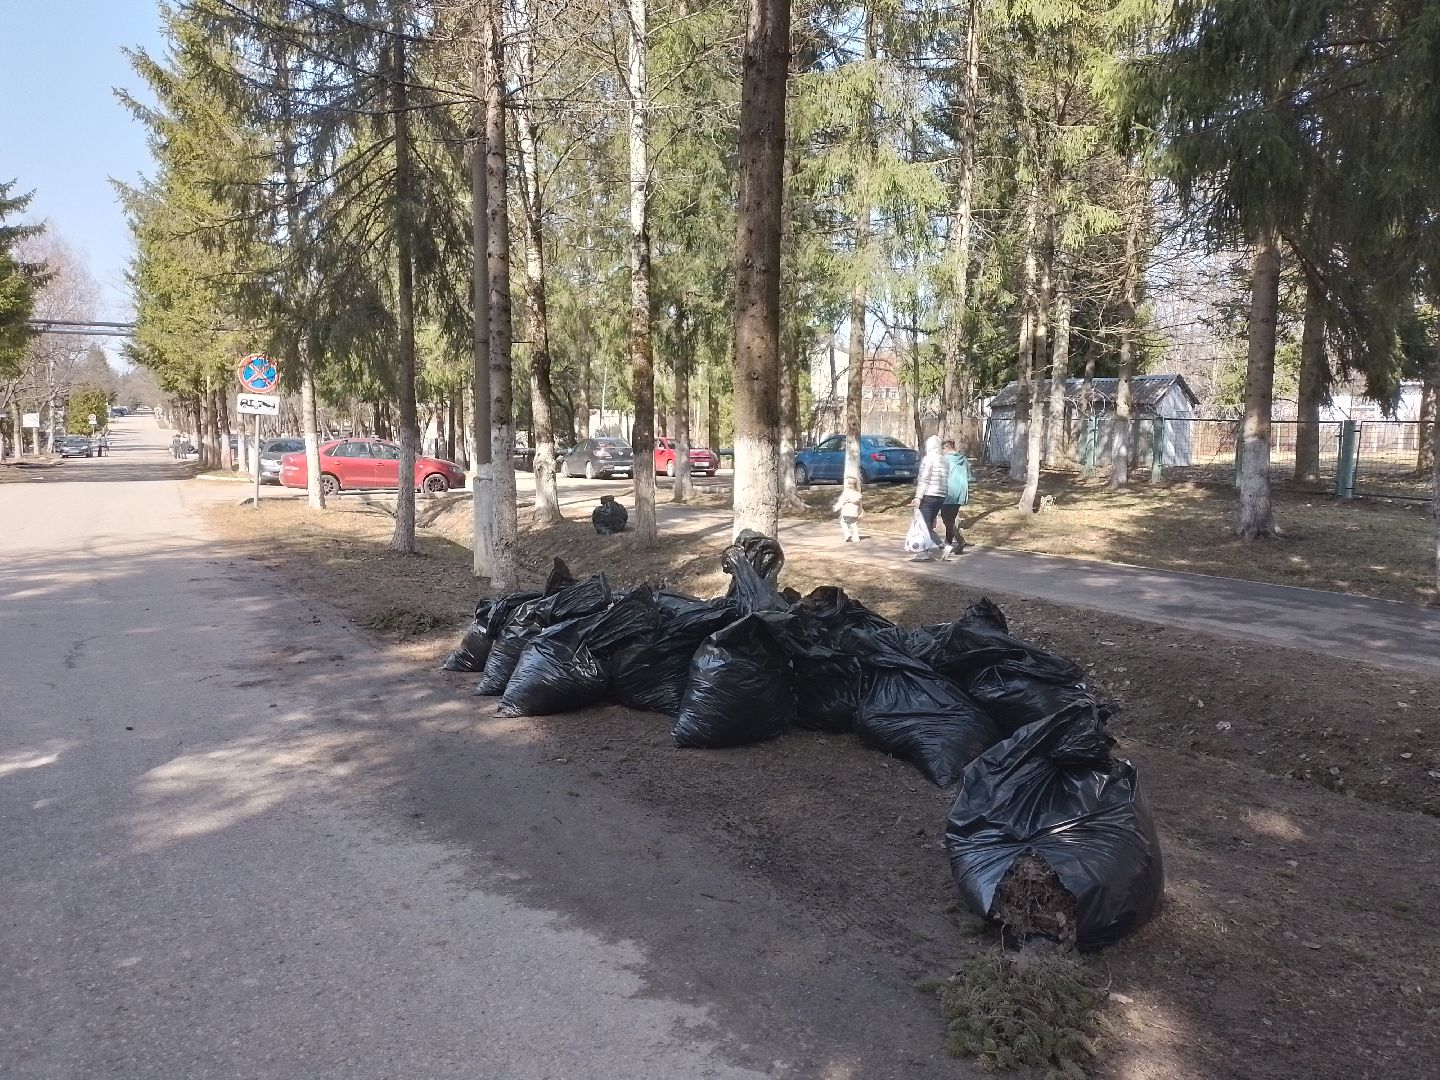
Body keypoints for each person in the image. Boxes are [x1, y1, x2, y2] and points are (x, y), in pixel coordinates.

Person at [909, 434, 947, 561]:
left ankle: (942, 547)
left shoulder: (928, 459)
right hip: (940, 496)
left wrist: (918, 497)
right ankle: (923, 551)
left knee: (923, 525)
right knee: (927, 525)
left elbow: (924, 479)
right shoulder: (944, 460)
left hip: (929, 494)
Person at [939, 438, 971, 559]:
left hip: (949, 491)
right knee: (950, 518)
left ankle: (959, 541)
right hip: (961, 491)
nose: (942, 452)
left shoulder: (946, 459)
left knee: (947, 519)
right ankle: (948, 543)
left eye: (942, 449)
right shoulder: (963, 459)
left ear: (946, 448)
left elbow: (941, 475)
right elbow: (969, 475)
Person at [832, 475, 862, 543]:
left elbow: (841, 502)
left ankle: (847, 534)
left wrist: (836, 508)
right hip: (854, 512)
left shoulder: (846, 493)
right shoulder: (858, 494)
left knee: (843, 522)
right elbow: (859, 504)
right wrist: (860, 511)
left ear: (848, 484)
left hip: (846, 512)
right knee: (854, 524)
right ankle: (856, 537)